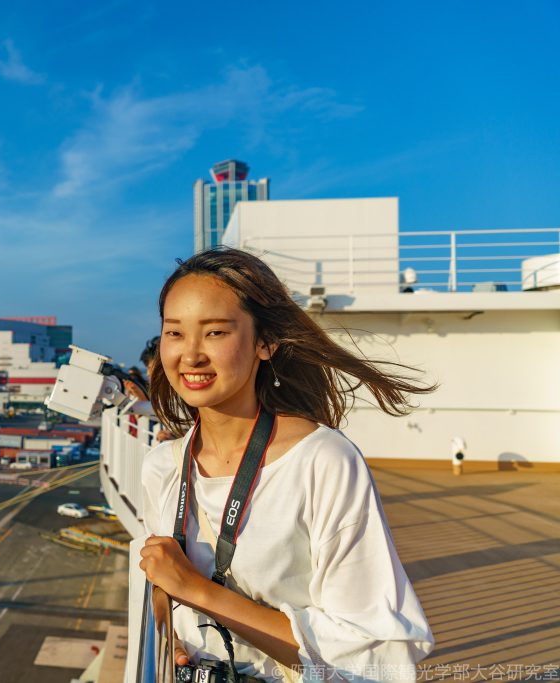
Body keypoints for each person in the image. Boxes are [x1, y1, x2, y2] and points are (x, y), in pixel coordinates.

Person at [138, 248, 436, 682]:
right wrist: (177, 638)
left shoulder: (322, 461)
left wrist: (197, 590)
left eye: (216, 332)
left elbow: (370, 656)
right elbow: (166, 583)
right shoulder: (162, 466)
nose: (191, 355)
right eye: (174, 333)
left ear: (265, 342)